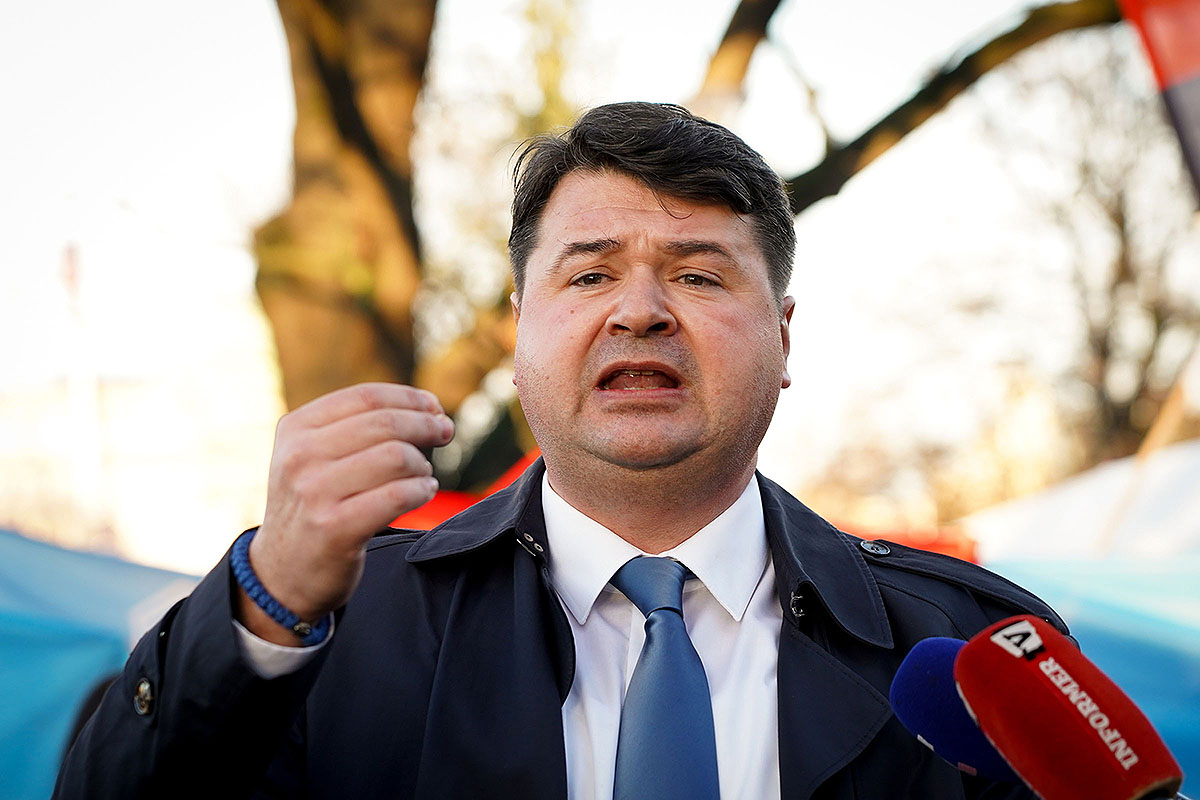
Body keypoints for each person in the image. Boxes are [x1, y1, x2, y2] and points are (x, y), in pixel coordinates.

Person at [55, 102, 1061, 799]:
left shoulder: (976, 645)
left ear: (785, 337)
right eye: (589, 276)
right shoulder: (336, 634)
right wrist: (263, 611)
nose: (641, 310)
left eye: (699, 276)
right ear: (518, 330)